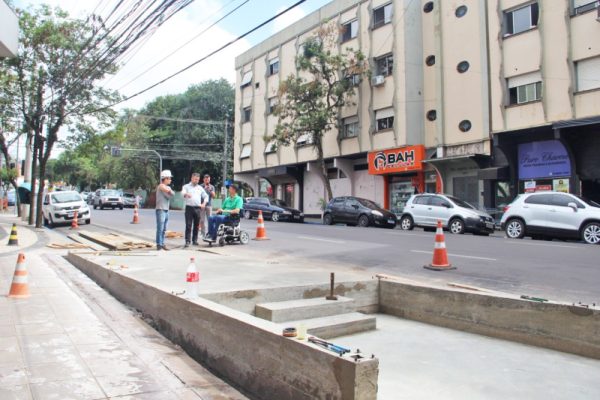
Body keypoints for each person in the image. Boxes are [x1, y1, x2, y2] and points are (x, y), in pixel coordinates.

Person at [182, 173, 208, 247]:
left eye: (197, 179)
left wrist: (204, 203)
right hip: (189, 208)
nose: (196, 181)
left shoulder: (200, 188)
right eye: (195, 179)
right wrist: (186, 194)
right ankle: (187, 241)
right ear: (191, 178)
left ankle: (195, 240)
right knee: (188, 225)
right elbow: (182, 193)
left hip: (197, 208)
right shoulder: (186, 186)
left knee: (196, 225)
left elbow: (206, 196)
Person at [155, 170, 174, 251]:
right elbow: (168, 192)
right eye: (169, 178)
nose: (170, 180)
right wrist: (169, 192)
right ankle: (159, 244)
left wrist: (169, 191)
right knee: (160, 228)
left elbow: (172, 194)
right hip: (160, 209)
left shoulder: (168, 187)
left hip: (166, 210)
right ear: (165, 178)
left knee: (164, 228)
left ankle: (162, 243)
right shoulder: (160, 186)